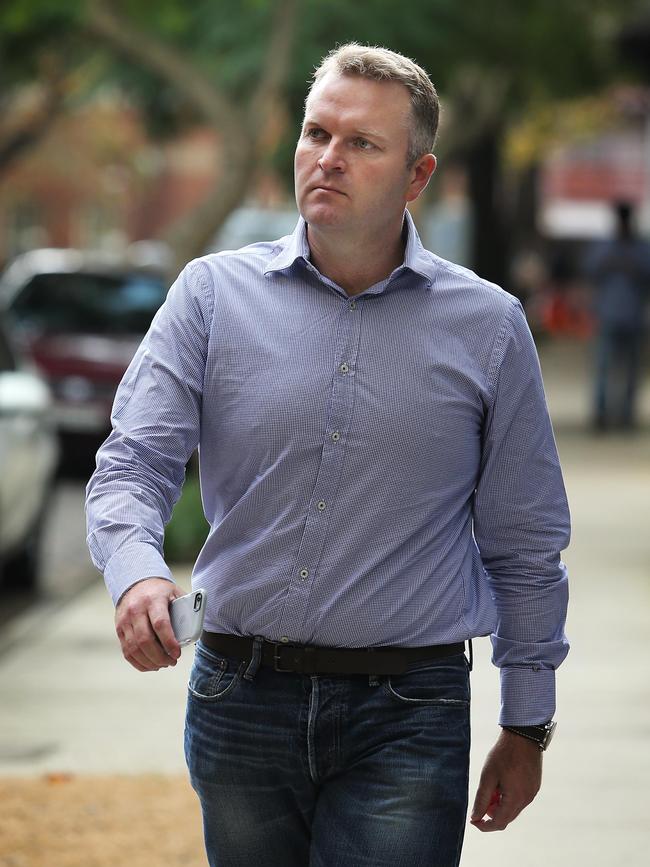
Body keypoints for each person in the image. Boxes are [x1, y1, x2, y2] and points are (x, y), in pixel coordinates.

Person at [86, 43, 570, 867]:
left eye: (362, 144)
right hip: (239, 696)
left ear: (417, 177)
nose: (328, 159)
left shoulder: (488, 329)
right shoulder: (210, 296)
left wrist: (526, 723)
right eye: (316, 134)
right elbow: (133, 463)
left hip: (408, 707)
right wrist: (136, 570)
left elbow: (524, 544)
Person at [583, 201, 650, 431]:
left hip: (632, 317)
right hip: (608, 315)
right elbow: (590, 269)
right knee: (603, 366)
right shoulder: (606, 246)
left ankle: (626, 414)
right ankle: (601, 413)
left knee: (631, 370)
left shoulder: (641, 248)